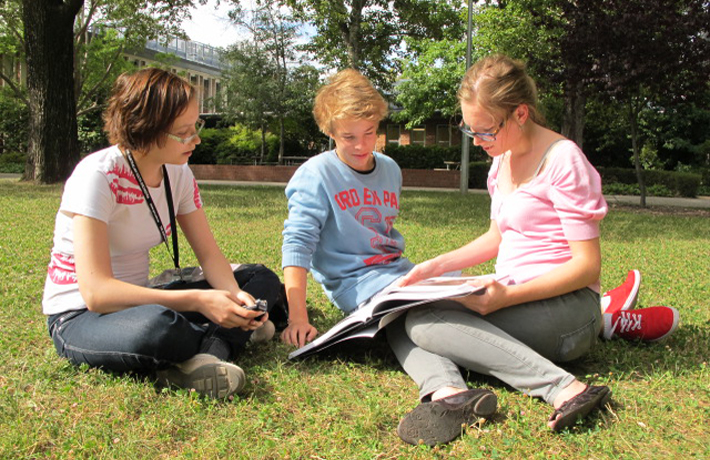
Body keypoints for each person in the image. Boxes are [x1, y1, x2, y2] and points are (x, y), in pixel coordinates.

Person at [393, 54, 678, 444]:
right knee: (401, 316)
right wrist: (434, 267)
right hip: (513, 295)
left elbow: (587, 267)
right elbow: (498, 238)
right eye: (469, 130)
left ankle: (566, 389)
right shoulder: (501, 161)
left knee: (425, 326)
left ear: (521, 113)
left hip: (567, 309)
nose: (477, 141)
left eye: (486, 130)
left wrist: (506, 297)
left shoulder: (563, 161)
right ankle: (450, 394)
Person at [42, 68, 281, 400]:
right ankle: (223, 340)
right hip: (82, 315)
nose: (195, 139)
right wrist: (199, 300)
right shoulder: (97, 176)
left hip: (143, 296)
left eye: (195, 127)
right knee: (157, 328)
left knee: (258, 278)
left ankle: (208, 351)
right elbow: (97, 293)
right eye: (183, 132)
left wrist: (232, 295)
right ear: (145, 129)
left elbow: (209, 255)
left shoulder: (178, 174)